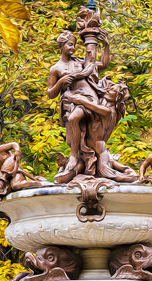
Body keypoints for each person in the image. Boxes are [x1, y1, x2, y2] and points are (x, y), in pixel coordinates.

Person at [47, 30, 110, 183]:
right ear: (61, 46)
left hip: (88, 96)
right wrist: (61, 83)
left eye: (74, 45)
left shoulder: (79, 62)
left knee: (80, 120)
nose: (73, 48)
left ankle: (78, 157)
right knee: (74, 119)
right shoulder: (56, 69)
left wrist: (106, 47)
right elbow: (50, 93)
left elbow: (102, 64)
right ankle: (74, 156)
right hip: (72, 99)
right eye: (70, 45)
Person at [0, 142, 46, 221]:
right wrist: (0, 186)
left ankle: (38, 183)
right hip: (7, 179)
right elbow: (2, 177)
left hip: (15, 173)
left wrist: (17, 150)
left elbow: (13, 144)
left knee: (16, 185)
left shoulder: (0, 150)